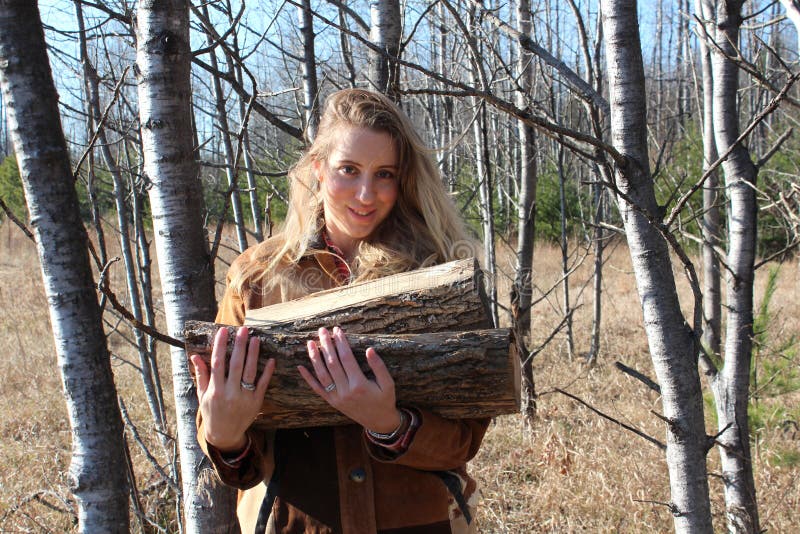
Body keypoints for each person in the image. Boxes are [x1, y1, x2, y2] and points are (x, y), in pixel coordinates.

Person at [190, 89, 489, 534]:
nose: (366, 194)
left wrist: (390, 425)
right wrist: (224, 436)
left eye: (384, 174)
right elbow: (236, 461)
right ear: (318, 169)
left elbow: (464, 439)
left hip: (415, 522)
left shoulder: (436, 274)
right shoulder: (258, 277)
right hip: (296, 524)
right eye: (348, 170)